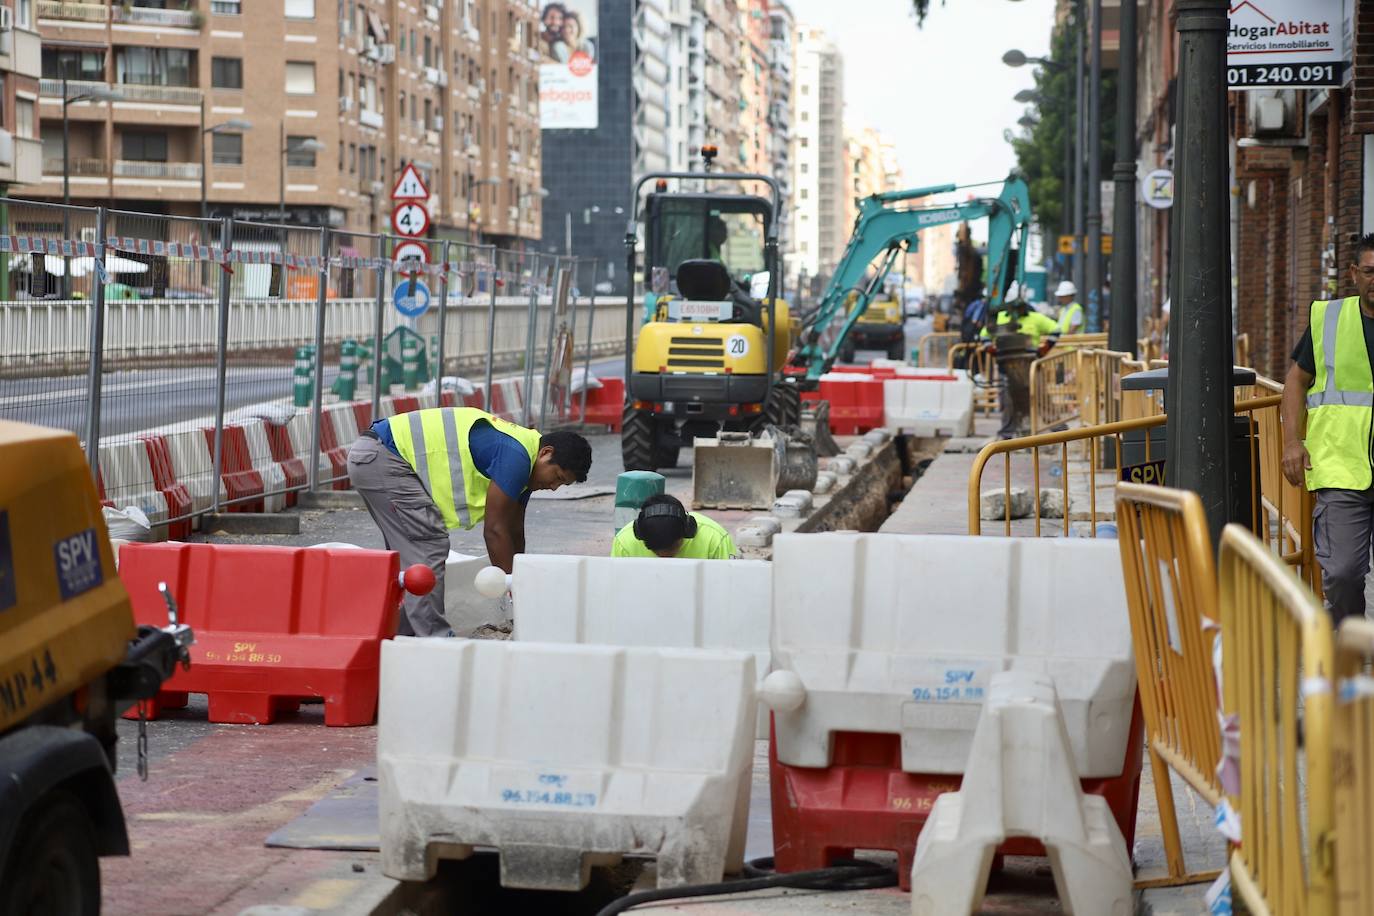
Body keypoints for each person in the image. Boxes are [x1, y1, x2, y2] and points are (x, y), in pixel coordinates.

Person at [347, 407, 593, 636]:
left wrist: (519, 581)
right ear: (545, 453)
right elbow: (495, 531)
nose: (553, 487)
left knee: (409, 559)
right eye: (557, 477)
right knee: (428, 544)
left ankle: (397, 635)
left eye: (562, 485)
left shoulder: (527, 463)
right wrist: (513, 593)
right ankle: (434, 639)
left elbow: (514, 530)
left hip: (374, 455)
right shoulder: (516, 457)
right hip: (383, 457)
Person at [1282, 233, 1374, 625]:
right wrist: (1291, 442)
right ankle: (1350, 645)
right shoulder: (1330, 320)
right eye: (1370, 271)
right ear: (1354, 273)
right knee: (1342, 573)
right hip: (1342, 468)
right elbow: (1296, 381)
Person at [612, 495, 737, 559]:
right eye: (657, 553)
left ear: (688, 530)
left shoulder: (715, 539)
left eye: (672, 549)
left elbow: (731, 587)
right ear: (640, 535)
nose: (666, 559)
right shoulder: (624, 543)